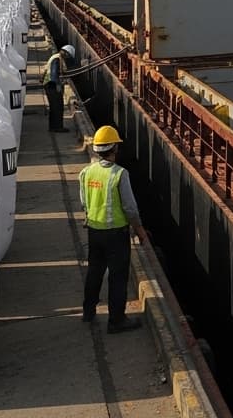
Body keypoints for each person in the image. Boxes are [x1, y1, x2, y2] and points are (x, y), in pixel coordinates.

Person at [79, 125, 143, 333]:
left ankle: (88, 312)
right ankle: (116, 321)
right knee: (117, 277)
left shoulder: (86, 173)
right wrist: (140, 232)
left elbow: (84, 202)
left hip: (94, 232)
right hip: (116, 233)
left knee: (95, 272)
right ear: (114, 148)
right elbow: (130, 208)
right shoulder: (119, 174)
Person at [44, 44, 75, 132]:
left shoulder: (57, 57)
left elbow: (59, 72)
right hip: (52, 85)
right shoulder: (57, 59)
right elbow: (54, 74)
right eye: (68, 55)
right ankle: (57, 127)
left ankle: (53, 127)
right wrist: (58, 85)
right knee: (57, 106)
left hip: (50, 84)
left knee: (54, 107)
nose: (68, 58)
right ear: (65, 52)